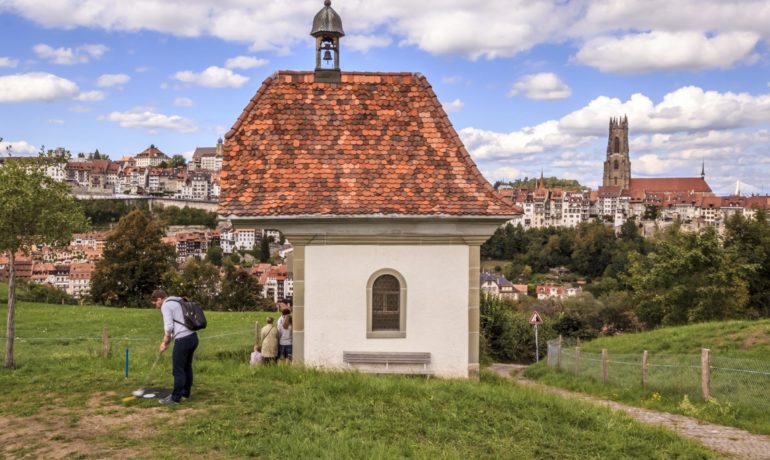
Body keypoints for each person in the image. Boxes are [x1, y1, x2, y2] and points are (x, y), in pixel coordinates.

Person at [152, 289, 199, 405]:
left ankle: (175, 398)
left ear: (159, 299)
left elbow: (168, 328)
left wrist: (165, 342)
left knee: (178, 369)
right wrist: (167, 342)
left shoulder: (166, 306)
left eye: (155, 304)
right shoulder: (178, 300)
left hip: (183, 340)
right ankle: (185, 393)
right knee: (187, 366)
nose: (156, 307)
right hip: (193, 337)